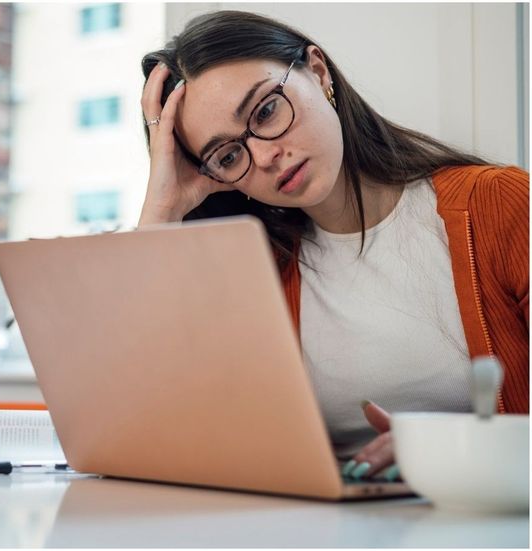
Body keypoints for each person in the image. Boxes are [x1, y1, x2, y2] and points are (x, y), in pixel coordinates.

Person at [137, 11, 529, 482]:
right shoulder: (256, 273)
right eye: (228, 156)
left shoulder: (500, 205)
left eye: (265, 111)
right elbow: (152, 429)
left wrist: (439, 448)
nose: (264, 156)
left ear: (318, 72)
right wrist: (160, 212)